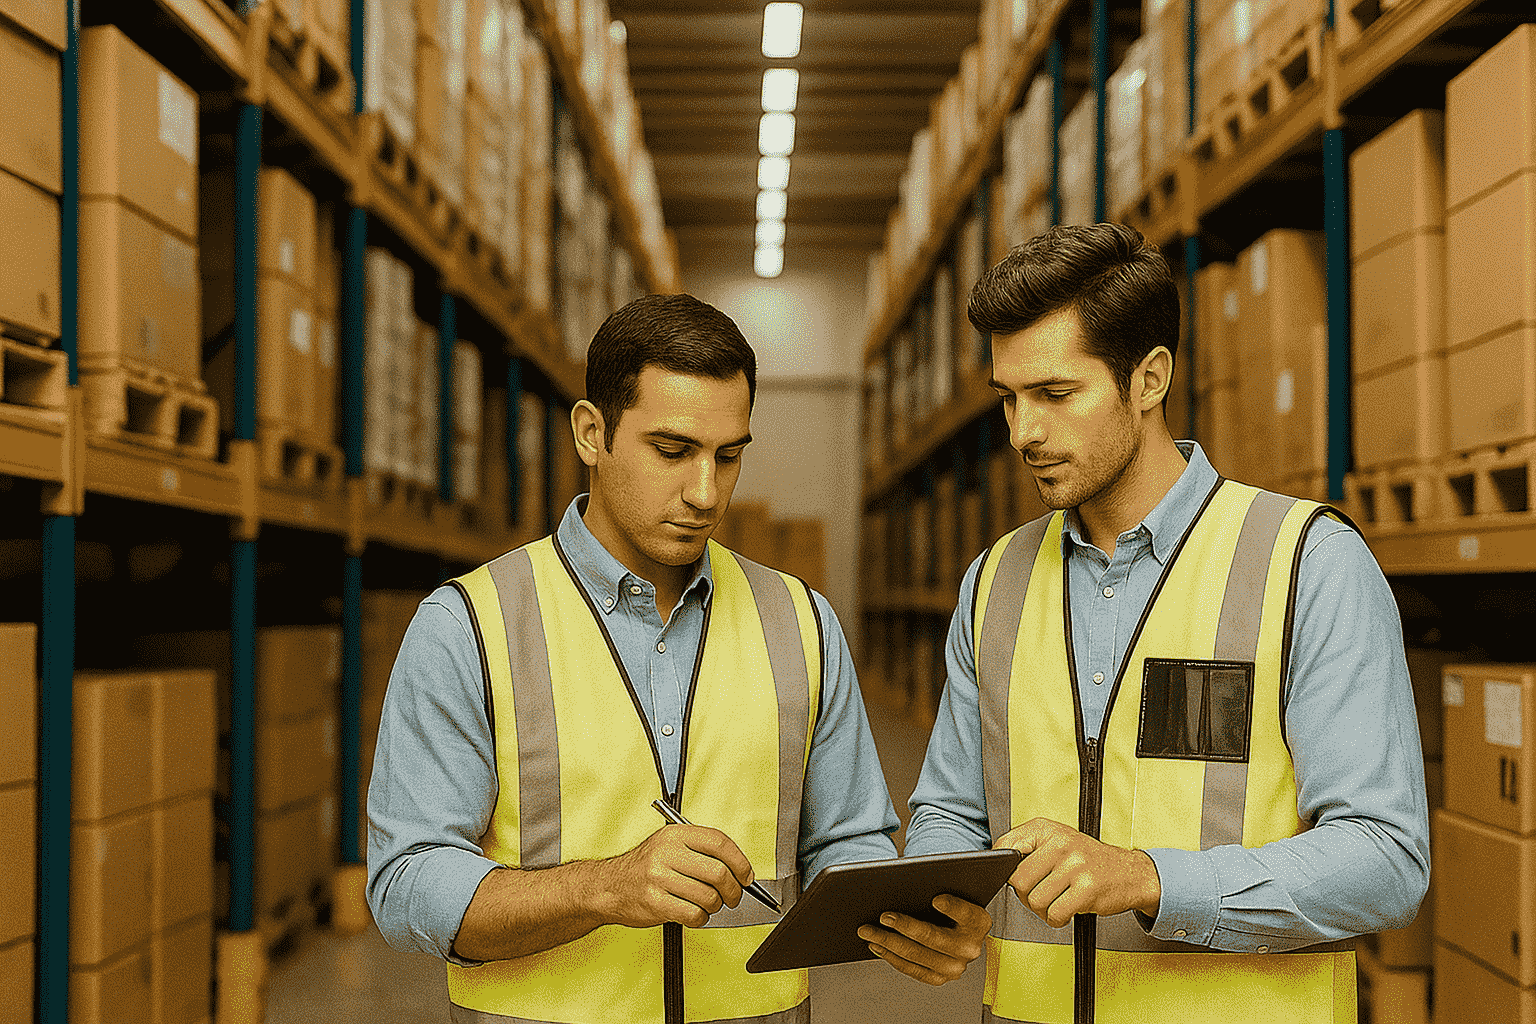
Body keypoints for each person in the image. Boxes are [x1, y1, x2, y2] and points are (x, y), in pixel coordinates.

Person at [366, 292, 988, 1024]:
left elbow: (846, 843)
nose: (705, 492)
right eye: (673, 451)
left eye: (729, 457)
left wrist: (912, 917)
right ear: (591, 433)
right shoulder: (470, 625)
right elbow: (405, 883)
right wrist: (603, 888)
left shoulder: (801, 623)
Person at [877, 223, 1430, 1023]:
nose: (1023, 432)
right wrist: (931, 898)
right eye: (1010, 398)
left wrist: (1151, 879)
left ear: (1149, 379)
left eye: (1056, 394)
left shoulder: (1307, 562)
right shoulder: (993, 582)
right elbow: (950, 811)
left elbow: (1385, 860)